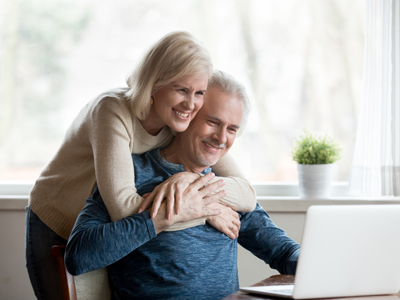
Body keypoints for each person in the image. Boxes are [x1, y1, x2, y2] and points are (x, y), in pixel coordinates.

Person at [25, 32, 256, 300]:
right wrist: (204, 210)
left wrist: (185, 181)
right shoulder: (111, 110)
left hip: (106, 226)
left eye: (199, 92)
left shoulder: (180, 121)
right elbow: (124, 209)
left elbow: (246, 193)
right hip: (57, 218)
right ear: (154, 83)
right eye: (181, 89)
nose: (191, 104)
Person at [65, 70, 300, 300]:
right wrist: (173, 214)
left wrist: (318, 266)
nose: (221, 138)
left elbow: (283, 251)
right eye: (212, 122)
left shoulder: (226, 189)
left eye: (231, 129)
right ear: (187, 116)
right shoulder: (132, 175)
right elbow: (79, 256)